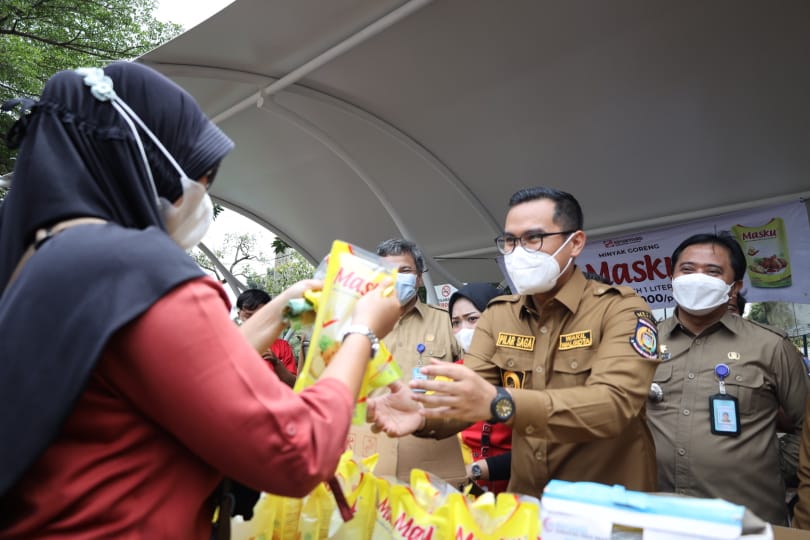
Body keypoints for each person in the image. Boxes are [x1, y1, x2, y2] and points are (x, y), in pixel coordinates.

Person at [0, 62, 402, 539]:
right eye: (202, 181)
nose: (202, 200)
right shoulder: (140, 270)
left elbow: (180, 369)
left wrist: (280, 307)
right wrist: (361, 330)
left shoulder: (46, 261)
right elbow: (297, 452)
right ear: (146, 165)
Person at [369, 186, 661, 496]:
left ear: (575, 243)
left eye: (533, 239)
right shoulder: (499, 315)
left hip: (604, 503)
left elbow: (613, 405)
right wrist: (424, 413)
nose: (518, 252)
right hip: (526, 502)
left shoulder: (620, 309)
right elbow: (470, 392)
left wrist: (501, 402)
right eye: (510, 241)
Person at [646, 233, 808, 525]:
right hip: (660, 516)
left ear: (735, 287)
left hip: (746, 519)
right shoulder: (645, 342)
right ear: (672, 277)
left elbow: (805, 427)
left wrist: (777, 464)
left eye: (712, 272)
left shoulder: (770, 346)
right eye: (687, 269)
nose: (697, 278)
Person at [449, 282, 512, 494]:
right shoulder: (453, 373)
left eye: (472, 319)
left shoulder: (521, 371)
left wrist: (475, 470)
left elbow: (539, 451)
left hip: (515, 496)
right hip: (465, 497)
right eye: (456, 322)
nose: (463, 330)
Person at [236, 288, 298, 387]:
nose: (255, 321)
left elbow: (293, 384)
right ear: (239, 315)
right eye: (248, 316)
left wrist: (276, 362)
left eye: (260, 316)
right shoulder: (229, 345)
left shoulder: (282, 346)